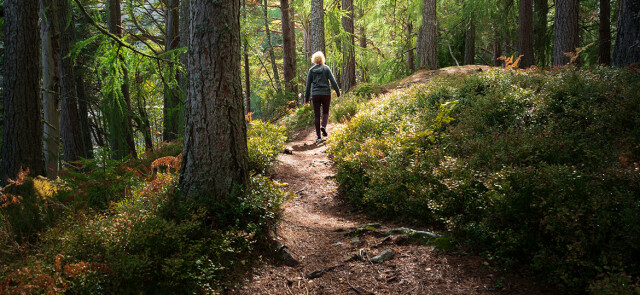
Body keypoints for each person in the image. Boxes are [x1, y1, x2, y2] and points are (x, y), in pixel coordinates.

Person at [305, 51, 341, 144]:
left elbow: (308, 86)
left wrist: (306, 99)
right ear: (322, 59)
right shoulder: (326, 68)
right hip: (326, 94)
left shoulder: (311, 70)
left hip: (316, 94)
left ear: (314, 60)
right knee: (325, 112)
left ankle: (318, 137)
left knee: (317, 115)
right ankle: (323, 126)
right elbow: (333, 81)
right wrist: (338, 92)